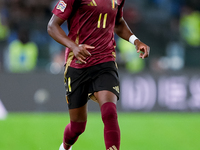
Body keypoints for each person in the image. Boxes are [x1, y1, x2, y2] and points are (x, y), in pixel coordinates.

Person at [47, 0, 150, 150]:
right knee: (77, 126)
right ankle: (64, 147)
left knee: (109, 112)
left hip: (105, 61)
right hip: (78, 64)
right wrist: (73, 46)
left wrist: (136, 41)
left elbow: (118, 22)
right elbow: (52, 26)